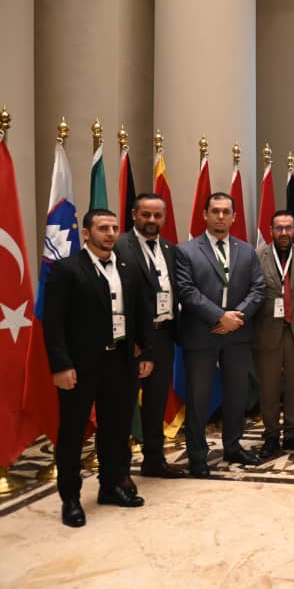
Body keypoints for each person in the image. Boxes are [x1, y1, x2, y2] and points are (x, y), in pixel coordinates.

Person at [44, 208, 154, 527]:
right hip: (80, 366)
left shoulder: (127, 267)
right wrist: (61, 365)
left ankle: (110, 486)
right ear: (86, 233)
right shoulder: (67, 269)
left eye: (114, 228)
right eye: (102, 228)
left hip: (120, 362)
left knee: (116, 429)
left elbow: (139, 314)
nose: (110, 233)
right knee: (73, 433)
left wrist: (145, 352)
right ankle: (70, 499)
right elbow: (53, 322)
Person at [175, 192, 265, 478]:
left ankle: (233, 446)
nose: (221, 216)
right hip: (201, 334)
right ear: (205, 214)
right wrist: (219, 316)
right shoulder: (186, 251)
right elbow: (186, 290)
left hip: (237, 334)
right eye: (215, 211)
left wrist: (236, 317)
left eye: (226, 211)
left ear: (234, 217)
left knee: (237, 394)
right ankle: (197, 456)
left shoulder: (246, 251)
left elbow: (258, 288)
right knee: (198, 398)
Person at [113, 193, 185, 479]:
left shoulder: (169, 249)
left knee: (156, 403)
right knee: (123, 406)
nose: (152, 220)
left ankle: (154, 460)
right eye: (146, 214)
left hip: (163, 335)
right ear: (134, 215)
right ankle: (119, 471)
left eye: (157, 215)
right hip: (131, 342)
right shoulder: (120, 246)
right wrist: (134, 342)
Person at [254, 210, 294, 459]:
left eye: (288, 228)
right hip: (267, 331)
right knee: (268, 387)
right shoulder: (257, 256)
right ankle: (270, 434)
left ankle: (292, 433)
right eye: (279, 228)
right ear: (271, 231)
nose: (284, 233)